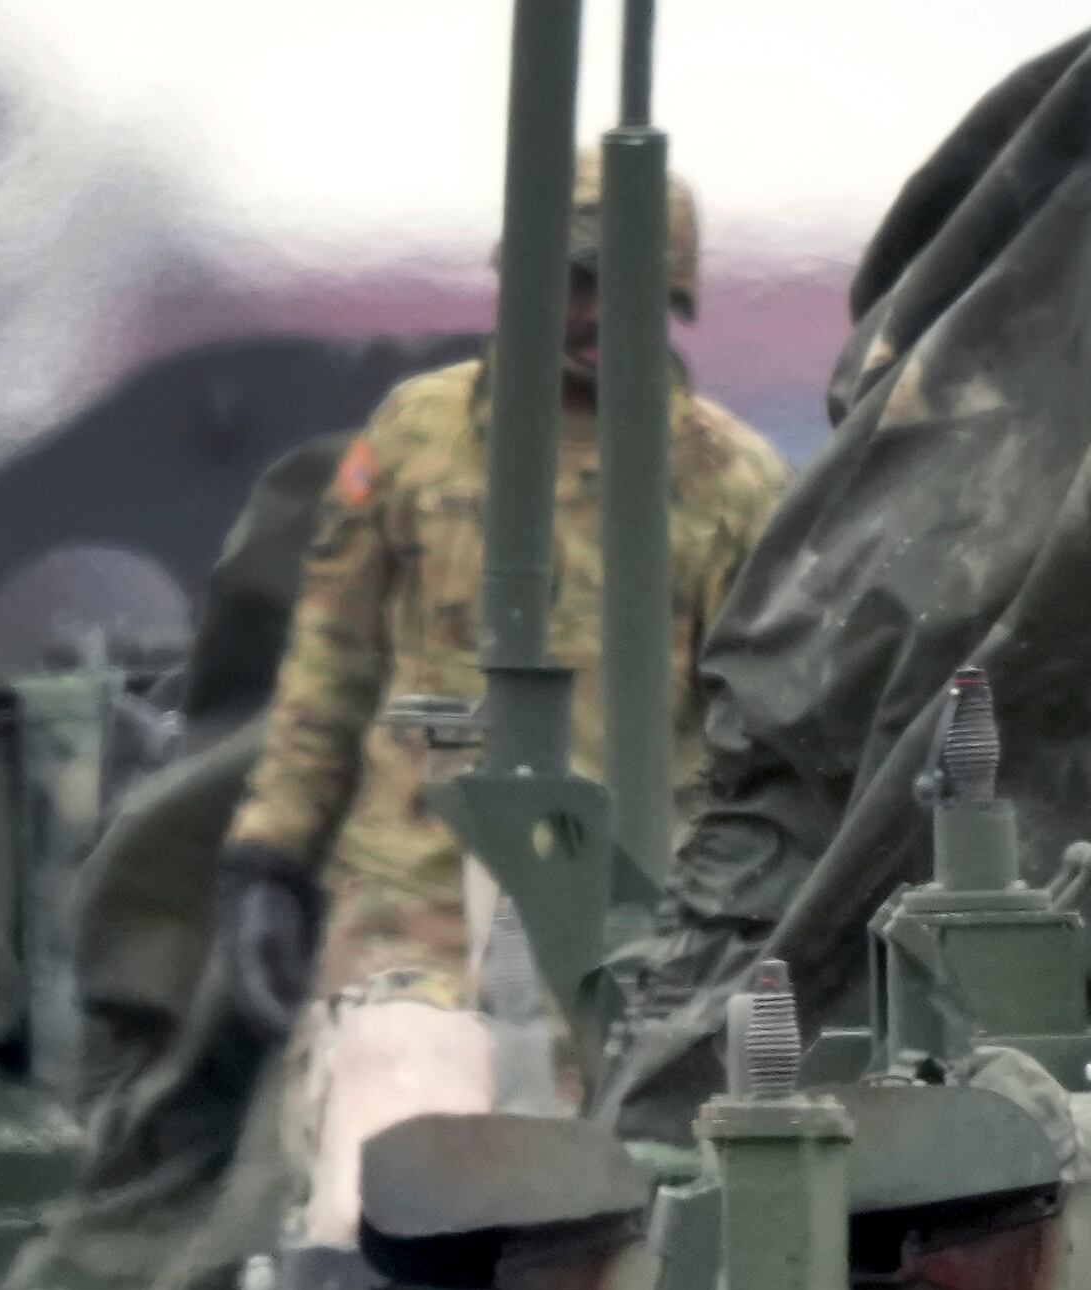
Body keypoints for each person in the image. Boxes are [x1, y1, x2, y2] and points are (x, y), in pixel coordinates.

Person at [212, 176, 795, 1219]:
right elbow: (329, 665)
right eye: (575, 285)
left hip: (624, 928)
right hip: (413, 906)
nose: (597, 317)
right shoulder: (416, 437)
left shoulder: (734, 483)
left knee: (585, 1217)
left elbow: (767, 729)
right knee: (381, 1191)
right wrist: (271, 854)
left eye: (626, 291)